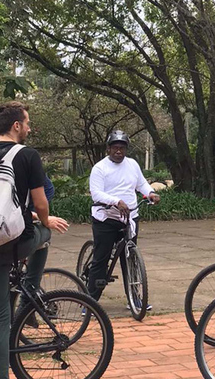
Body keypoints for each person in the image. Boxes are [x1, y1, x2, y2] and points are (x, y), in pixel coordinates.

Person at [0, 101, 68, 379]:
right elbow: (41, 202)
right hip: (16, 242)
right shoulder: (28, 155)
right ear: (16, 125)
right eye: (27, 122)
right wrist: (45, 221)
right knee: (46, 234)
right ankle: (31, 290)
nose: (29, 127)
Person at [87, 130, 160, 305]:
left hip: (130, 218)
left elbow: (141, 183)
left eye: (122, 148)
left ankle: (134, 299)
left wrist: (150, 192)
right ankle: (90, 300)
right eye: (115, 148)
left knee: (130, 259)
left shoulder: (132, 164)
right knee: (101, 259)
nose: (118, 151)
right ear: (108, 149)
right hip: (106, 218)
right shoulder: (100, 168)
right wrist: (116, 201)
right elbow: (96, 194)